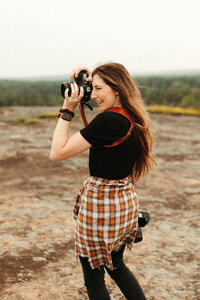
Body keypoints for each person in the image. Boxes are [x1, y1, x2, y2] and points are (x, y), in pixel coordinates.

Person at [50, 62, 155, 300]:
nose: (94, 95)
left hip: (101, 208)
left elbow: (57, 152)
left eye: (98, 89)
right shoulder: (130, 115)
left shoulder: (108, 121)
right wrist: (88, 77)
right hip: (123, 205)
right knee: (117, 266)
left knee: (94, 280)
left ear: (116, 88)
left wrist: (67, 109)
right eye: (91, 88)